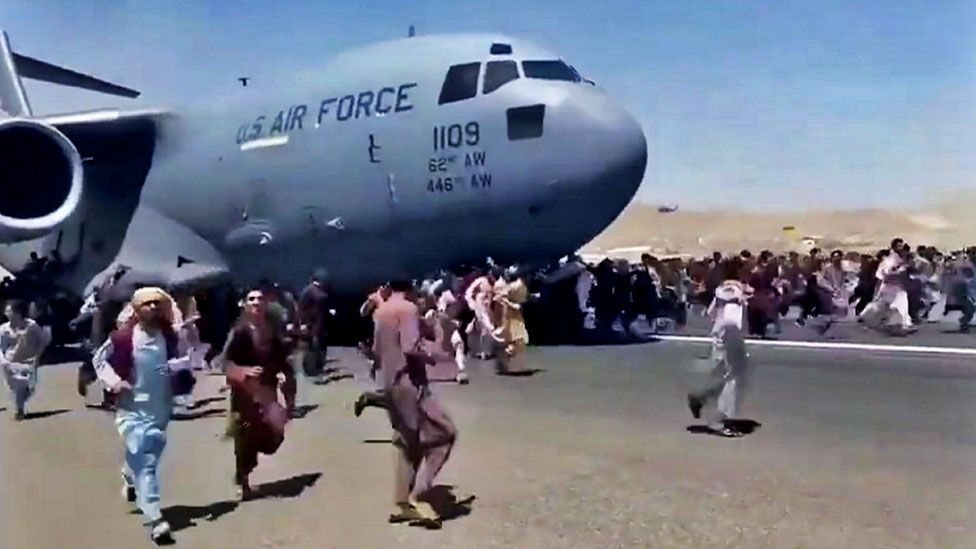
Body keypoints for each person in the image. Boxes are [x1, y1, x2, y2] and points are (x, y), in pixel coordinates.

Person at [92, 287, 193, 543]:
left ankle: (128, 474)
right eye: (146, 304)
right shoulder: (123, 338)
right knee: (146, 462)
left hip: (160, 408)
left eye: (157, 304)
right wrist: (115, 382)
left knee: (147, 455)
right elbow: (99, 360)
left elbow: (181, 360)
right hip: (132, 408)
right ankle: (156, 517)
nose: (152, 308)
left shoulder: (168, 336)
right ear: (136, 310)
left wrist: (174, 370)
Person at [374, 280, 472, 528]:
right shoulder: (407, 309)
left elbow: (375, 350)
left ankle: (401, 503)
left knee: (407, 443)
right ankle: (419, 495)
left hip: (388, 383)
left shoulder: (381, 310)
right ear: (410, 290)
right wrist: (434, 357)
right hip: (410, 384)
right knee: (445, 434)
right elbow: (411, 346)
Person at [223, 289, 294, 500]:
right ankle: (243, 480)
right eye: (251, 299)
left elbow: (282, 358)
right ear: (245, 305)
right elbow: (224, 363)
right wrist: (243, 372)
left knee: (274, 435)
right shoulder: (239, 332)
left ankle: (249, 463)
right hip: (244, 393)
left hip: (268, 391)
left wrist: (282, 374)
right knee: (244, 436)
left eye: (260, 298)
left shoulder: (271, 330)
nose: (256, 302)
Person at [687, 266, 753, 438]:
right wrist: (740, 294)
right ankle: (721, 421)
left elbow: (710, 313)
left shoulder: (723, 290)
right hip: (729, 336)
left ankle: (700, 398)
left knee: (730, 376)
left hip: (723, 335)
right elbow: (731, 314)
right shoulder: (733, 289)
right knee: (733, 379)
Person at [1, 300, 50, 420]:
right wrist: (3, 361)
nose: (6, 312)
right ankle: (19, 407)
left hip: (27, 362)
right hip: (10, 363)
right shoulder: (3, 329)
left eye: (9, 310)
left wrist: (37, 357)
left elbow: (42, 341)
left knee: (26, 387)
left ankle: (19, 408)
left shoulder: (31, 326)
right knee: (14, 387)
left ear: (17, 313)